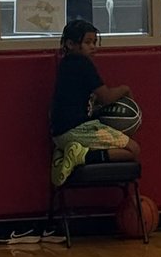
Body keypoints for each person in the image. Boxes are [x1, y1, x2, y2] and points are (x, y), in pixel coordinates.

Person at [50, 19, 141, 187]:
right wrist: (125, 89)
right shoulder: (83, 64)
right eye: (88, 42)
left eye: (94, 42)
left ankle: (64, 152)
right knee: (133, 149)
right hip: (77, 129)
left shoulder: (66, 64)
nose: (93, 47)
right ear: (70, 44)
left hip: (60, 135)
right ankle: (82, 156)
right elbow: (106, 97)